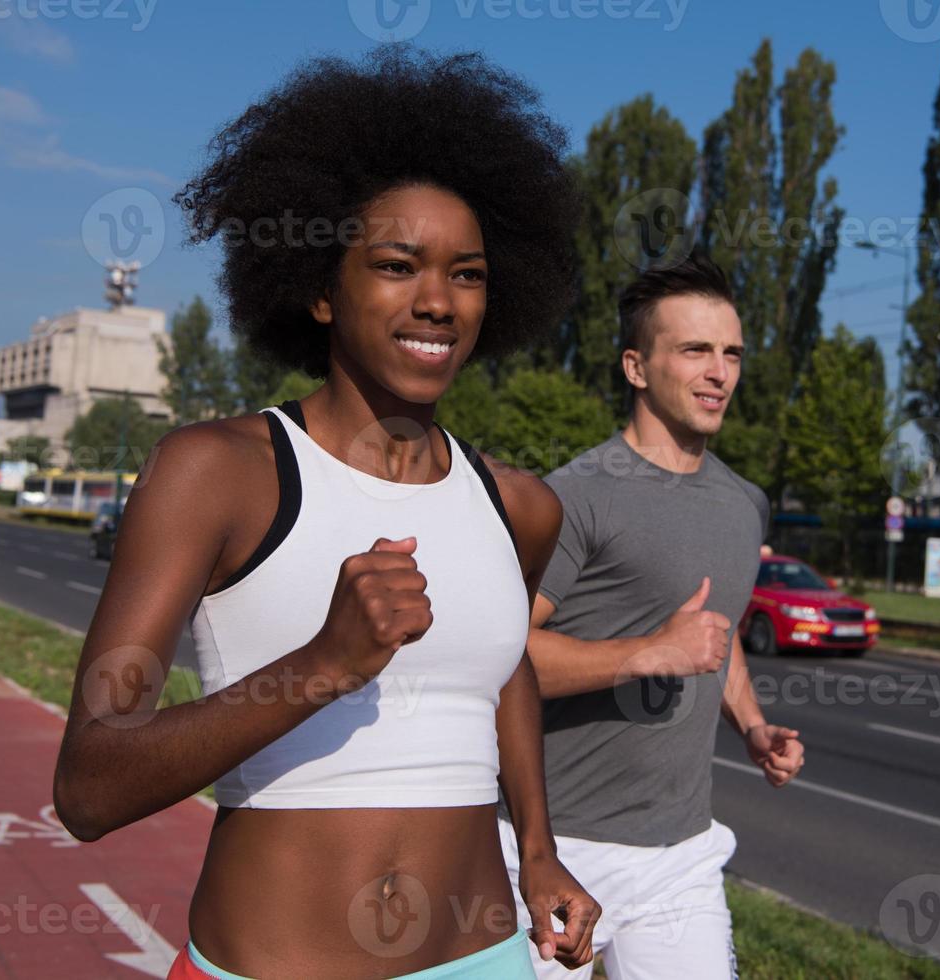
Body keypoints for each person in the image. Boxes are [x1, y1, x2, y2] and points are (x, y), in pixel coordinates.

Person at [52, 47, 600, 979]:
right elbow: (88, 787)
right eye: (397, 264)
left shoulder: (521, 506)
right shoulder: (217, 474)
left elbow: (504, 671)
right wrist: (321, 665)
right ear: (315, 286)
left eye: (466, 274)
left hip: (486, 958)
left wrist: (540, 846)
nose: (437, 300)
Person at [498, 251, 806, 978]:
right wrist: (645, 653)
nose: (719, 372)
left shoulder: (745, 503)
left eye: (731, 353)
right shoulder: (576, 495)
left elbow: (717, 631)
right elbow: (499, 653)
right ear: (636, 368)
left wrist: (753, 725)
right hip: (547, 847)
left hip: (679, 855)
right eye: (695, 350)